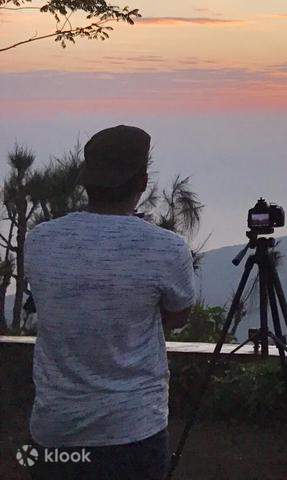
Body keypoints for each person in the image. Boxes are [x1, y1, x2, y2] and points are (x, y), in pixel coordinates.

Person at [24, 125, 196, 480]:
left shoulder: (40, 241)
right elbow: (179, 314)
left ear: (85, 180)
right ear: (142, 181)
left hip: (56, 429)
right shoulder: (166, 247)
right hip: (133, 431)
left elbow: (50, 305)